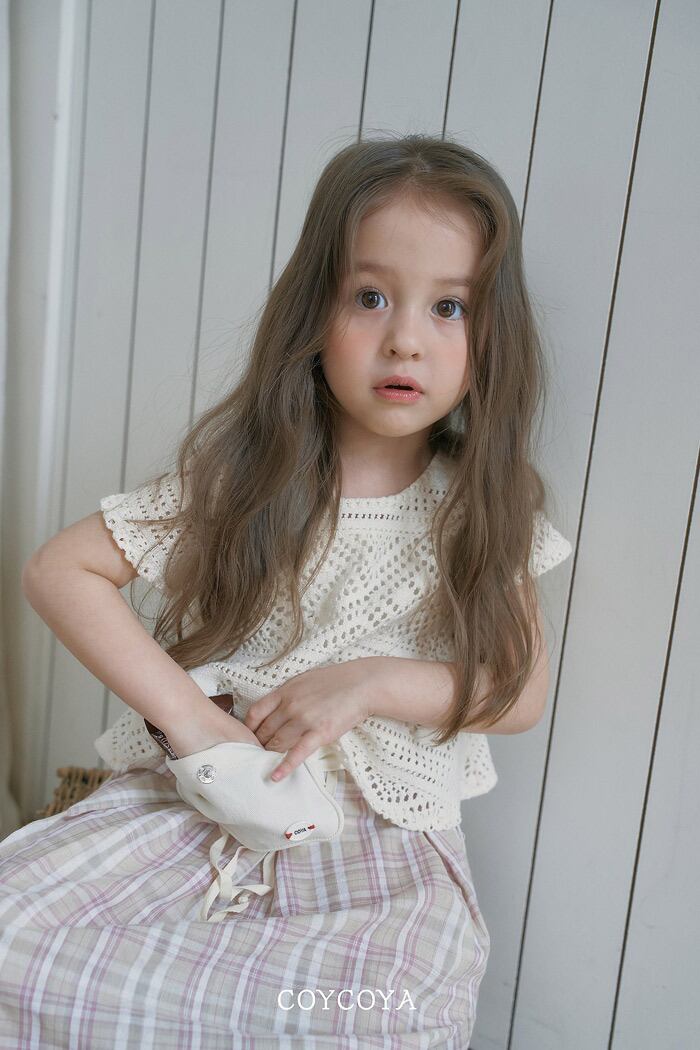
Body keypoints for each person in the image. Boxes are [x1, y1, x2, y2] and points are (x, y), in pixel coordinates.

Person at [0, 133, 572, 1047]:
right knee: (17, 937)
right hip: (203, 809)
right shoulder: (245, 480)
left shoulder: (478, 507)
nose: (405, 338)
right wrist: (190, 721)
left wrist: (371, 683)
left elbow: (518, 690)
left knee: (382, 1017)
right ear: (314, 310)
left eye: (450, 307)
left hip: (378, 844)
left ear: (491, 333)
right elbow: (58, 571)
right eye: (371, 297)